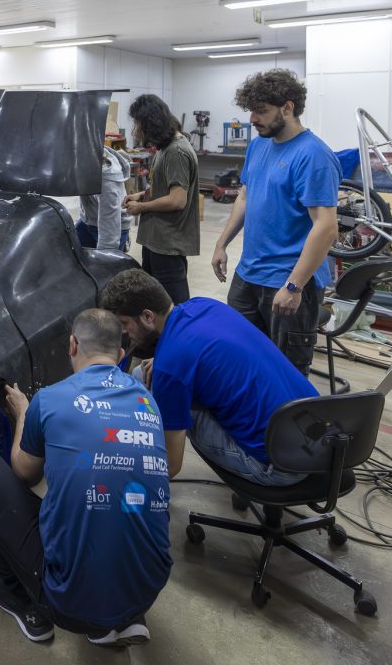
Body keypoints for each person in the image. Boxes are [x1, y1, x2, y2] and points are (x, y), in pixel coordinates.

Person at [0, 308, 171, 648]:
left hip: (69, 602)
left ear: (72, 345)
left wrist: (24, 412)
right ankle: (120, 618)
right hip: (147, 590)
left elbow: (24, 472)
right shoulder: (148, 403)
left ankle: (15, 594)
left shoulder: (50, 398)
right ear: (121, 355)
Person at [100, 269, 314, 486]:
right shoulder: (204, 305)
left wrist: (115, 487)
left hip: (279, 468)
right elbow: (197, 347)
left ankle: (128, 458)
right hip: (318, 441)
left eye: (124, 323)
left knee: (161, 397)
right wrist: (166, 357)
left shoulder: (170, 367)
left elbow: (171, 466)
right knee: (142, 375)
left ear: (147, 316)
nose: (124, 332)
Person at [211, 69, 340, 376]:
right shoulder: (259, 145)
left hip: (288, 281)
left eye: (261, 111)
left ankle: (281, 424)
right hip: (248, 274)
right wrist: (221, 243)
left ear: (288, 107)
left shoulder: (313, 155)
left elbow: (326, 227)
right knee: (240, 359)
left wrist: (294, 286)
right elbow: (245, 195)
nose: (253, 119)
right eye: (251, 110)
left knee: (285, 372)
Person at [124, 94, 200, 303]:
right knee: (155, 304)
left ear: (150, 122)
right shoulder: (165, 148)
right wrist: (140, 195)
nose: (136, 129)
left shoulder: (176, 151)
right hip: (156, 240)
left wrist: (142, 207)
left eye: (138, 123)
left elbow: (177, 200)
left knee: (174, 305)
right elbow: (165, 189)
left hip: (167, 242)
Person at [76, 145, 132, 252]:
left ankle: (122, 241)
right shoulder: (82, 161)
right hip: (88, 219)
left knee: (108, 264)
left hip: (113, 225)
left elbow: (109, 238)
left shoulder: (106, 181)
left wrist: (105, 258)